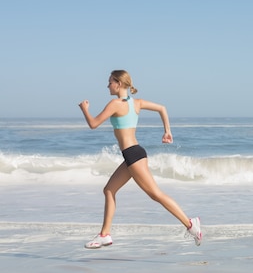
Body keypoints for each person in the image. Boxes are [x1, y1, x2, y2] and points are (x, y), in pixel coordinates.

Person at [78, 70, 202, 249]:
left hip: (133, 155)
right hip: (133, 154)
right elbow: (162, 108)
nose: (108, 86)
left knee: (156, 194)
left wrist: (85, 109)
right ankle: (105, 234)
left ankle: (191, 225)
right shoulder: (137, 103)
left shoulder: (115, 104)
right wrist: (167, 130)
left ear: (119, 84)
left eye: (110, 82)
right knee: (109, 190)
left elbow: (93, 124)